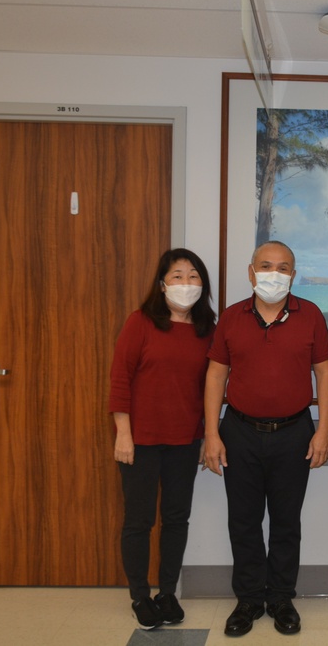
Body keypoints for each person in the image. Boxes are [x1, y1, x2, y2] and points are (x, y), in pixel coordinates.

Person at [202, 240, 328, 638]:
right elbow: (215, 375)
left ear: (293, 275)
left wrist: (324, 429)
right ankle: (247, 600)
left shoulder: (310, 315)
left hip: (294, 433)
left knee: (285, 522)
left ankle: (279, 598)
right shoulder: (230, 317)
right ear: (250, 271)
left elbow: (325, 374)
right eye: (266, 265)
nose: (274, 274)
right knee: (242, 522)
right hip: (238, 432)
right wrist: (212, 433)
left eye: (283, 268)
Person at [109, 248, 216, 630]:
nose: (185, 283)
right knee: (139, 521)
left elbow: (210, 388)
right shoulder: (140, 322)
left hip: (185, 440)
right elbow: (120, 378)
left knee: (176, 518)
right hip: (140, 441)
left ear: (202, 285)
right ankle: (140, 595)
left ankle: (167, 592)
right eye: (177, 275)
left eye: (193, 276)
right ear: (162, 284)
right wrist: (124, 434)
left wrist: (206, 435)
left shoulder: (208, 330)